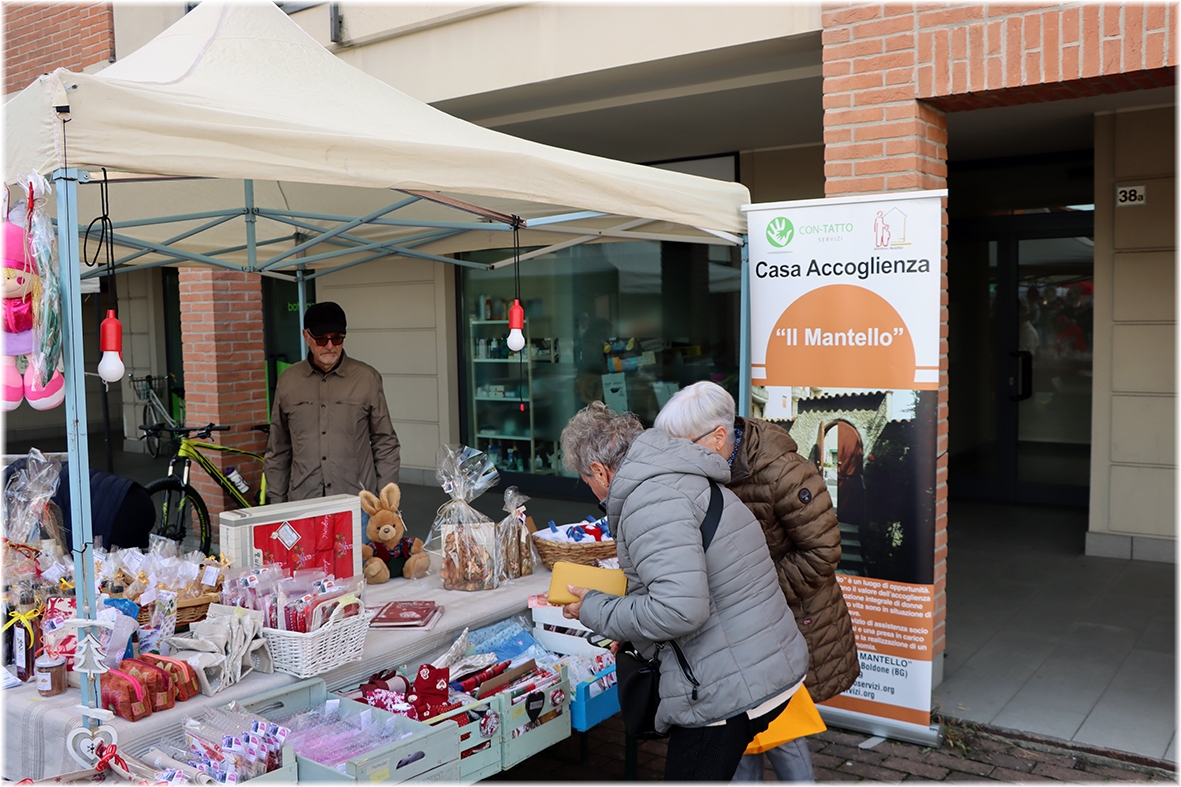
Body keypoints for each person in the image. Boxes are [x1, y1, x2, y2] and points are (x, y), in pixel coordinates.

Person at [559, 401, 809, 782]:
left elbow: (680, 610)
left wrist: (595, 609)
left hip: (726, 686)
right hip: (755, 663)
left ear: (599, 470)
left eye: (587, 480)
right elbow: (687, 586)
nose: (592, 490)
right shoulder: (672, 477)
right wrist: (636, 633)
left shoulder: (649, 502)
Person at [655, 381, 861, 782]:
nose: (677, 456)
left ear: (718, 436)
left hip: (788, 618)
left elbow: (822, 552)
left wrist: (752, 589)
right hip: (739, 625)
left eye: (683, 445)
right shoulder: (710, 466)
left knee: (780, 730)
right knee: (739, 727)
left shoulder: (785, 472)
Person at [265, 301, 400, 503]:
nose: (330, 346)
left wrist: (386, 504)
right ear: (306, 336)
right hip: (304, 500)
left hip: (357, 501)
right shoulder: (288, 381)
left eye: (336, 338)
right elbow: (278, 447)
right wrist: (276, 504)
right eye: (321, 339)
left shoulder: (367, 378)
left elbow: (385, 443)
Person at [2, 459, 155, 550]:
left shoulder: (16, 491)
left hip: (113, 513)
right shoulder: (27, 471)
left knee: (105, 573)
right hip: (132, 493)